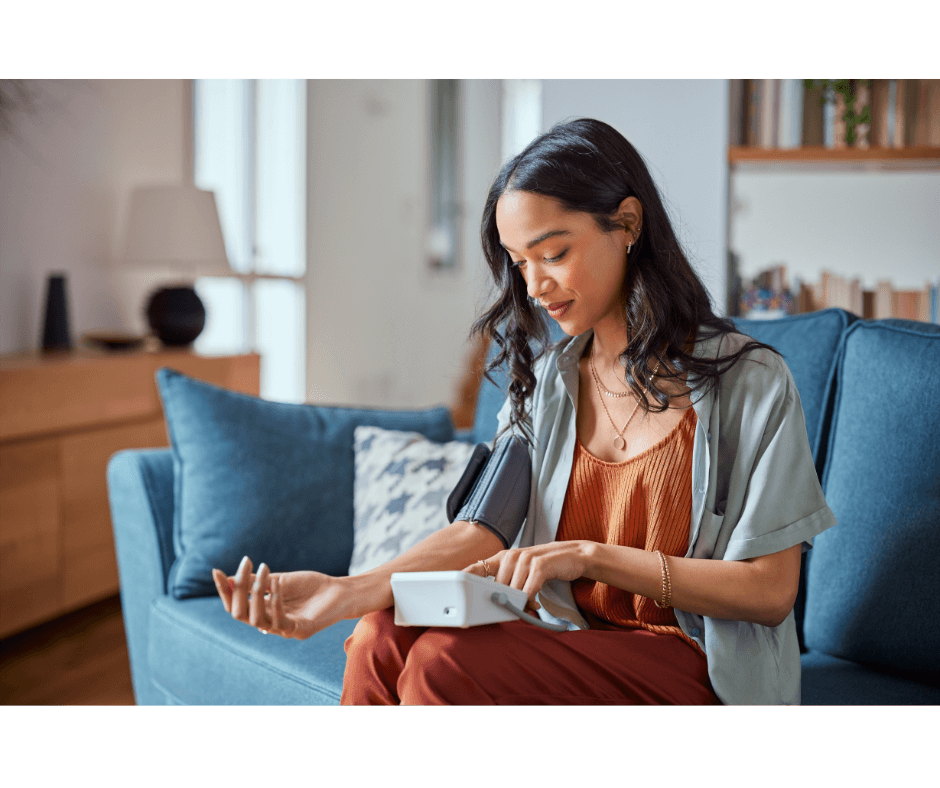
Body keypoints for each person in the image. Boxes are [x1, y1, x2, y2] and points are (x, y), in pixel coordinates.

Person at [212, 118, 837, 705]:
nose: (533, 285)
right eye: (519, 262)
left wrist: (588, 556)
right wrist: (343, 594)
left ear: (626, 224)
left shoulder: (751, 381)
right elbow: (481, 530)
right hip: (570, 639)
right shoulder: (549, 382)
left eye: (553, 253)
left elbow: (770, 591)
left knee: (442, 662)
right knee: (379, 634)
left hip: (694, 659)